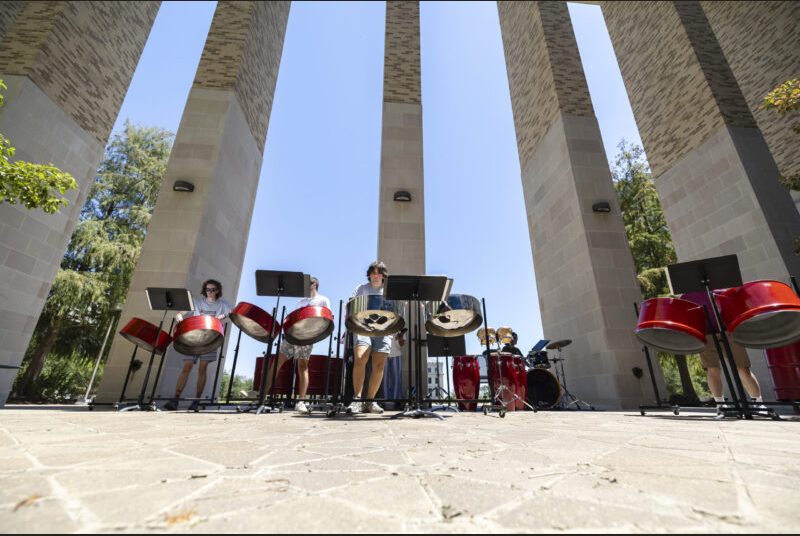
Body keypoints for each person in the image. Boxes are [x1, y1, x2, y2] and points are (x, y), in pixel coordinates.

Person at [681, 291, 764, 417]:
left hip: (728, 331)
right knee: (712, 369)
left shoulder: (718, 290)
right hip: (706, 335)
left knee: (743, 368)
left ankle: (758, 403)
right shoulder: (686, 296)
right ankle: (720, 404)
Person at [262, 277, 331, 413]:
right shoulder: (301, 301)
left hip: (307, 336)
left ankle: (301, 401)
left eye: (308, 283)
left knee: (302, 366)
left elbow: (327, 317)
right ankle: (263, 397)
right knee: (275, 363)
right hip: (293, 335)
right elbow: (295, 320)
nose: (305, 286)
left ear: (314, 284)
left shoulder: (323, 300)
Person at [164, 279, 232, 411]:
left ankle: (196, 400)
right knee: (186, 367)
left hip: (210, 339)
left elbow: (234, 311)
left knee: (202, 369)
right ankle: (175, 399)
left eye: (213, 290)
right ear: (204, 290)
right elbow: (182, 312)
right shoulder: (197, 302)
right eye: (208, 289)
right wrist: (178, 315)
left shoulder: (223, 304)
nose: (210, 292)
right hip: (194, 338)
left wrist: (224, 315)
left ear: (217, 291)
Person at [348, 261, 393, 414]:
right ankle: (357, 399)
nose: (375, 276)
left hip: (384, 329)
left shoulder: (389, 290)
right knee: (360, 357)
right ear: (369, 275)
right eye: (373, 273)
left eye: (379, 273)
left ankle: (370, 401)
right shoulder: (361, 289)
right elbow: (351, 306)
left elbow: (396, 310)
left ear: (383, 275)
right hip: (363, 327)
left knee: (379, 365)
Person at [381, 328, 406, 410]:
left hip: (396, 355)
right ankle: (385, 402)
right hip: (384, 353)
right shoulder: (384, 325)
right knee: (384, 379)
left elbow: (402, 344)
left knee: (397, 380)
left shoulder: (400, 328)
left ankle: (396, 402)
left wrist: (401, 337)